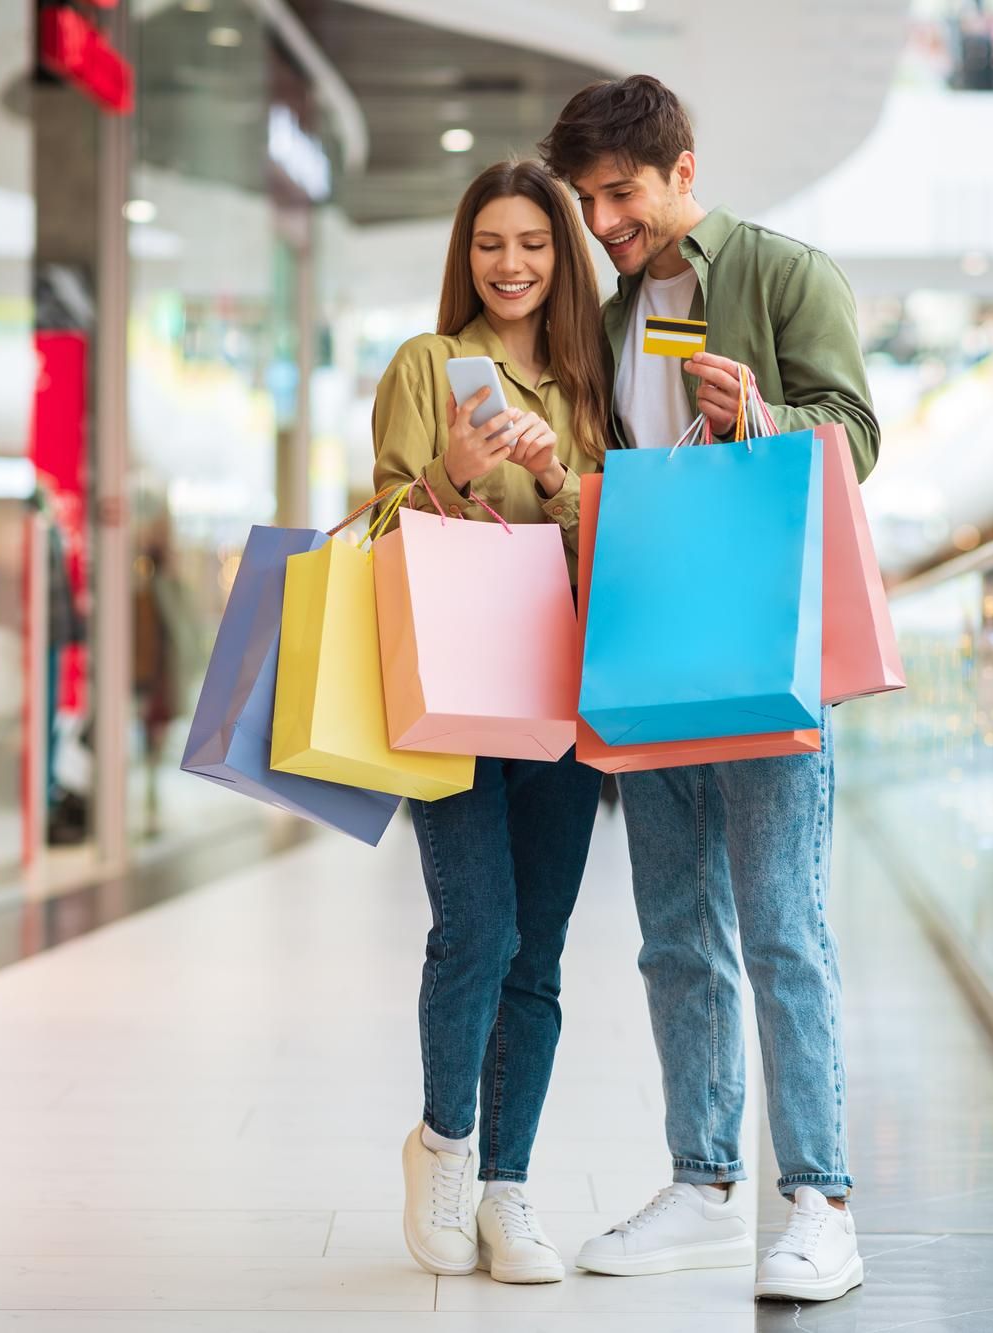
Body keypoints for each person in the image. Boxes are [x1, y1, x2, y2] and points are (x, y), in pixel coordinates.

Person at [539, 75, 880, 1304]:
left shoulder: (786, 275)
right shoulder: (615, 309)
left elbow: (857, 432)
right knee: (675, 933)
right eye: (587, 202)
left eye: (619, 194)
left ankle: (819, 1202)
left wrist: (764, 415)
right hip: (648, 647)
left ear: (682, 169)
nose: (603, 222)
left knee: (783, 928)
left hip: (760, 645)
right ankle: (701, 1183)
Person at [371, 159, 613, 1286]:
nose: (510, 264)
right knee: (477, 925)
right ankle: (445, 1146)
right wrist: (448, 477)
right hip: (455, 685)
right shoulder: (424, 367)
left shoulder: (589, 377)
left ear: (560, 258)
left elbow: (621, 546)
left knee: (541, 947)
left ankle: (509, 1188)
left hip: (557, 683)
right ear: (463, 256)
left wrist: (561, 480)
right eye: (488, 244)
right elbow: (376, 526)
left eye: (531, 243)